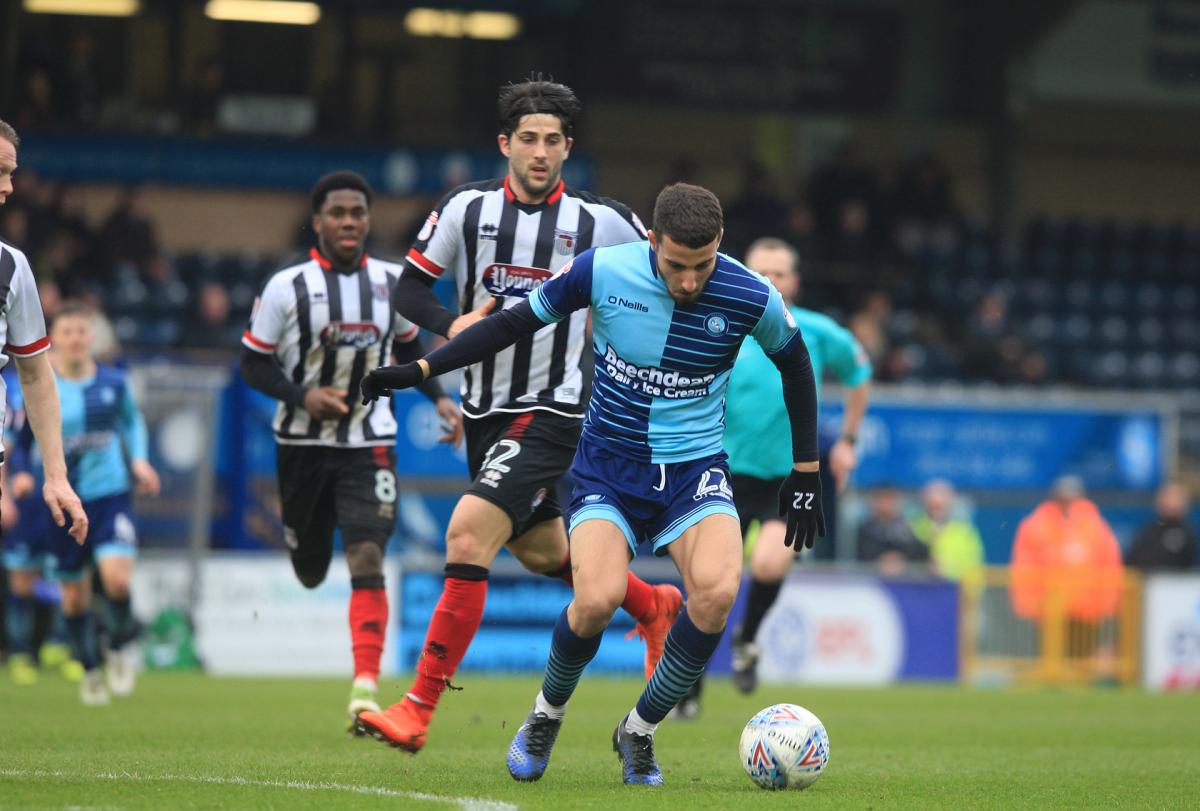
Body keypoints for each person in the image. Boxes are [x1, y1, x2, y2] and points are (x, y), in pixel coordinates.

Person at [362, 182, 826, 786]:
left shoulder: (750, 293)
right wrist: (422, 368)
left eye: (703, 264)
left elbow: (797, 365)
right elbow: (510, 324)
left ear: (720, 243)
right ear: (652, 241)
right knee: (597, 600)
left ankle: (639, 731)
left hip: (693, 470)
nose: (689, 281)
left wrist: (807, 470)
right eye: (676, 265)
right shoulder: (601, 270)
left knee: (715, 594)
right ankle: (545, 715)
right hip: (609, 467)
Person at [357, 78, 681, 754]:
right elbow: (410, 288)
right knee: (544, 554)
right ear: (505, 144)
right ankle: (652, 604)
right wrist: (450, 322)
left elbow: (671, 273)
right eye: (528, 139)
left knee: (467, 534)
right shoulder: (465, 208)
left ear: (568, 148)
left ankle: (417, 709)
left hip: (555, 408)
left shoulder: (604, 221)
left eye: (552, 140)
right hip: (484, 411)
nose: (540, 151)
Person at [240, 170, 463, 732]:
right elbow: (252, 364)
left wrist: (441, 399)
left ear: (368, 220)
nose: (348, 221)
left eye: (357, 212)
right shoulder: (285, 286)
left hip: (370, 442)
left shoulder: (393, 283)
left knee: (367, 554)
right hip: (301, 445)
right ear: (318, 220)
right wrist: (303, 396)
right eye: (337, 213)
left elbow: (410, 350)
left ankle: (364, 686)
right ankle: (308, 554)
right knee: (311, 569)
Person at [674, 236, 872, 717]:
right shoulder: (724, 322)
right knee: (709, 585)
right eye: (760, 272)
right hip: (722, 476)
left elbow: (859, 372)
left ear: (794, 282)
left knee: (768, 564)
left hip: (788, 479)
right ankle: (688, 682)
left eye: (778, 273)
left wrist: (847, 440)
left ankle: (747, 638)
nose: (769, 280)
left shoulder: (817, 331)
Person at [8, 300, 159, 704]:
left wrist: (139, 459)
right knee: (74, 597)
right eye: (67, 331)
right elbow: (20, 439)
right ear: (53, 339)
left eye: (81, 330)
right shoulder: (40, 387)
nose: (75, 338)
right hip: (61, 500)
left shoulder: (114, 383)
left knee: (117, 580)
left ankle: (119, 647)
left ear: (91, 336)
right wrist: (20, 473)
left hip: (110, 494)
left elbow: (132, 422)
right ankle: (90, 667)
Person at [0, 118, 90, 680]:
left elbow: (35, 376)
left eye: (10, 173)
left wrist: (56, 477)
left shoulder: (12, 267)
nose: (8, 187)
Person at [1010, 476, 1124, 627]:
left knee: (1083, 642)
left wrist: (1106, 604)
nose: (1068, 505)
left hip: (1088, 612)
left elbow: (1109, 565)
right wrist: (1030, 603)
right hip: (1049, 610)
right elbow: (1025, 566)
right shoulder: (1037, 524)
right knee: (1052, 642)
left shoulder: (1094, 526)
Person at [910, 479, 985, 583]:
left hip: (955, 589)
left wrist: (946, 571)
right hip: (918, 588)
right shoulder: (914, 527)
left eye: (940, 506)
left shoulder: (964, 531)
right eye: (933, 506)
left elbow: (974, 567)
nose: (937, 511)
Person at [856, 486, 929, 576]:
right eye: (881, 499)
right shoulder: (863, 530)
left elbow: (920, 553)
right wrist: (880, 559)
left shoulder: (909, 528)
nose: (885, 504)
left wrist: (901, 558)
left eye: (889, 499)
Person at [1126, 481, 1196, 571]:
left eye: (1175, 496)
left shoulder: (1187, 533)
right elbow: (1132, 559)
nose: (1167, 501)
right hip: (1144, 577)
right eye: (1165, 496)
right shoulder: (1149, 530)